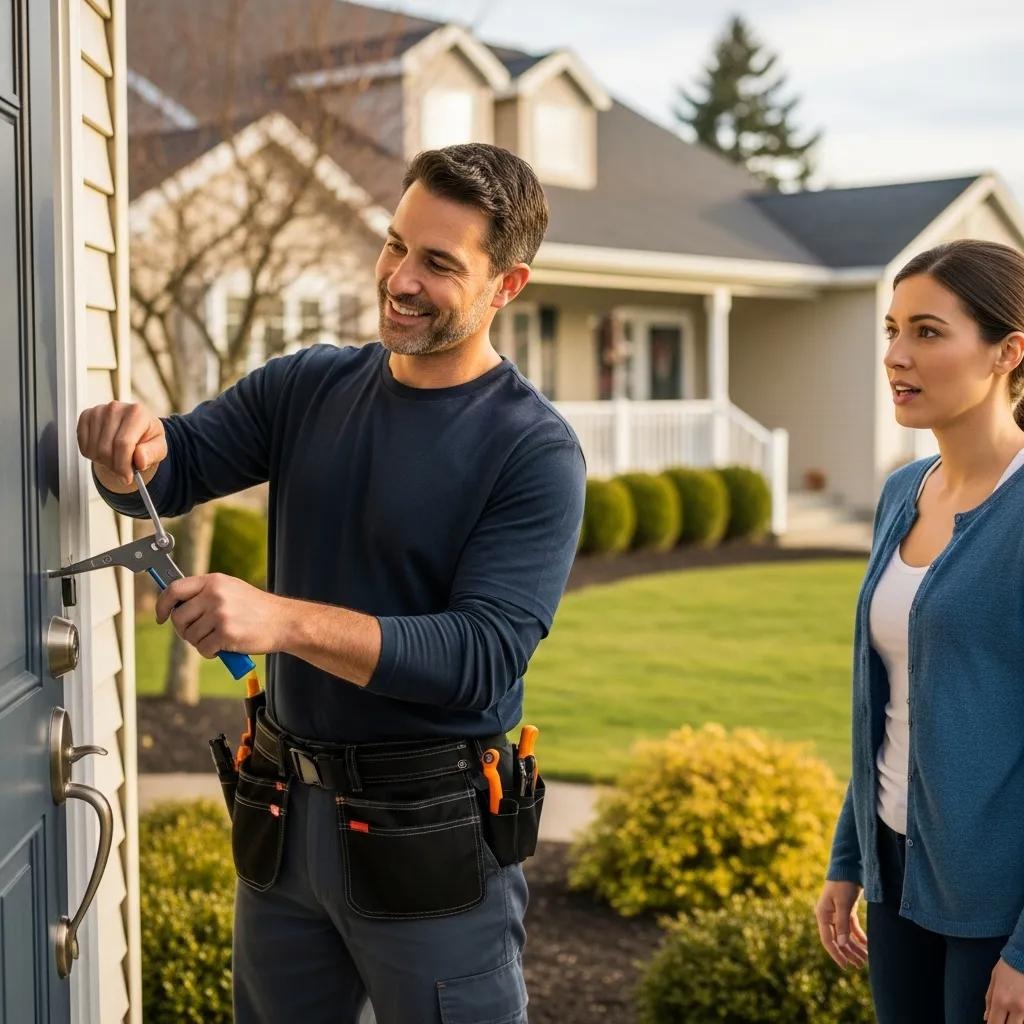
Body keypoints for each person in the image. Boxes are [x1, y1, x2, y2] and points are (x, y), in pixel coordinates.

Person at [79, 143, 586, 1024]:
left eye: (438, 262)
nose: (400, 277)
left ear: (508, 286)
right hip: (281, 821)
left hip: (427, 838)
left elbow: (483, 653)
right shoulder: (309, 384)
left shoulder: (533, 450)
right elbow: (175, 466)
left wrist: (282, 622)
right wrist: (132, 445)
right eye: (395, 244)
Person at [815, 239, 1024, 1024]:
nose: (897, 356)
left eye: (928, 333)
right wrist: (850, 857)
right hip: (895, 870)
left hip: (993, 902)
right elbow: (886, 704)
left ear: (1008, 351)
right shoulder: (903, 492)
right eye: (891, 330)